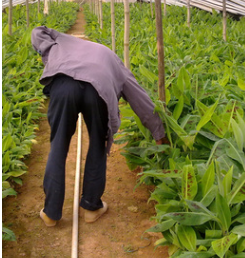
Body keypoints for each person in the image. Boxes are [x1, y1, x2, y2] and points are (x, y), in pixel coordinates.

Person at [31, 26, 168, 227]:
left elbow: (37, 31)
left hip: (63, 84)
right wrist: (159, 133)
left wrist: (46, 52)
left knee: (58, 145)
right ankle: (91, 208)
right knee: (97, 144)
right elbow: (140, 99)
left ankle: (51, 214)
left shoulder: (60, 40)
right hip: (99, 88)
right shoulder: (112, 58)